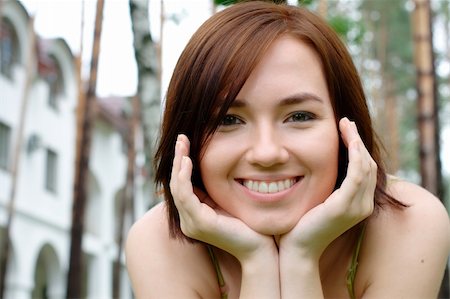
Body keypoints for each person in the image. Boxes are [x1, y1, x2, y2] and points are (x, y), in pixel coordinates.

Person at [125, 1, 450, 298]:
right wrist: (256, 261)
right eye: (229, 120)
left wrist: (300, 257)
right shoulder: (158, 243)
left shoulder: (409, 222)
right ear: (188, 140)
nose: (267, 153)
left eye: (299, 116)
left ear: (346, 127)